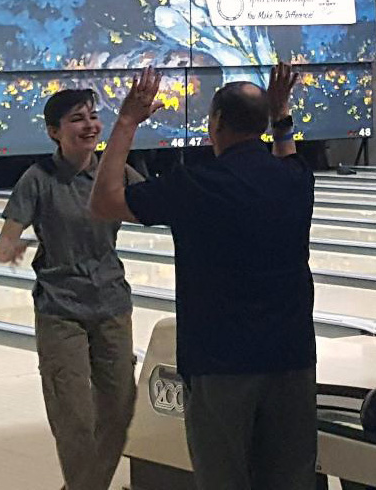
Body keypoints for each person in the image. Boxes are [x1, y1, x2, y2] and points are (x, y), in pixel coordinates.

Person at [90, 63, 317, 490]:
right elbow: (286, 149)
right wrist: (281, 111)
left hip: (219, 364)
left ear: (215, 124)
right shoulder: (295, 180)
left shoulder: (194, 184)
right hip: (292, 359)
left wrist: (125, 123)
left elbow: (104, 202)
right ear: (262, 123)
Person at [0, 88, 142, 490]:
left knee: (119, 412)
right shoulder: (38, 179)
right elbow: (2, 243)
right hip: (60, 311)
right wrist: (11, 248)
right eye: (77, 118)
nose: (89, 125)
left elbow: (155, 207)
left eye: (92, 116)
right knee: (73, 418)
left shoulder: (115, 172)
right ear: (54, 131)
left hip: (112, 304)